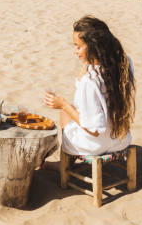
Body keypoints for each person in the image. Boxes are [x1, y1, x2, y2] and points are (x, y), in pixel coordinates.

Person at [43, 15, 136, 158]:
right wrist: (90, 59)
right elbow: (82, 81)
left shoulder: (90, 81)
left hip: (94, 146)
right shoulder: (124, 64)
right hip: (120, 140)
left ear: (94, 47)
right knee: (71, 111)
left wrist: (63, 105)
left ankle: (65, 164)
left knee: (66, 112)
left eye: (79, 47)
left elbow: (94, 130)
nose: (76, 51)